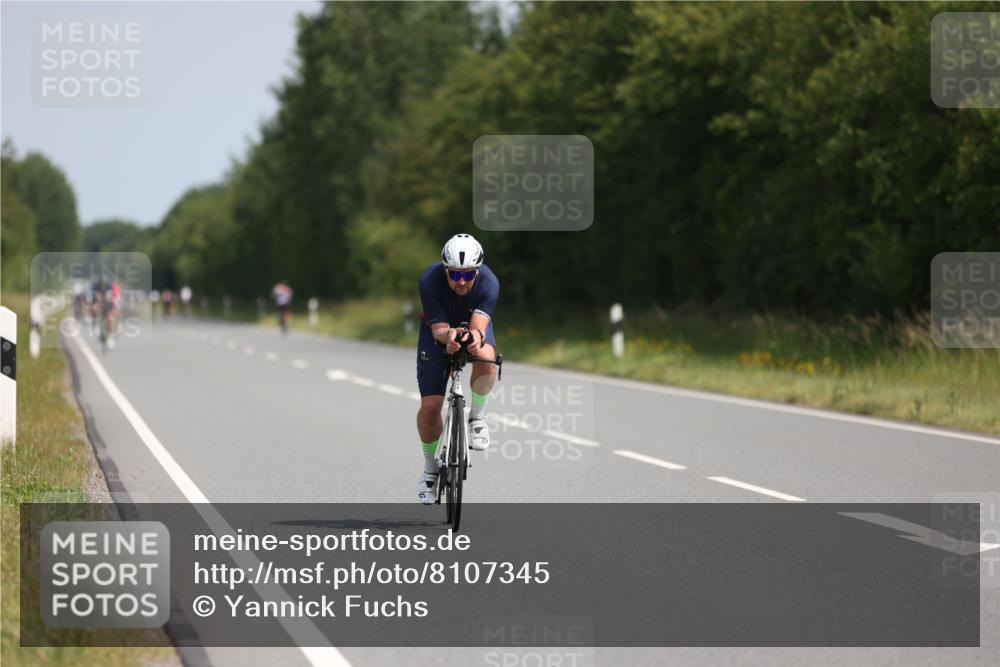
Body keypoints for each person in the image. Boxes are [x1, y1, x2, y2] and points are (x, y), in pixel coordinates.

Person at [416, 233, 499, 505]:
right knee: (430, 406)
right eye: (454, 274)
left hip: (472, 325)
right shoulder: (430, 280)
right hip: (436, 332)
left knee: (488, 358)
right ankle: (430, 468)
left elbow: (478, 328)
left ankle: (476, 418)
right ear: (445, 269)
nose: (461, 282)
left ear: (477, 270)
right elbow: (439, 330)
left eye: (467, 275)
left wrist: (473, 340)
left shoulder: (489, 282)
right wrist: (449, 338)